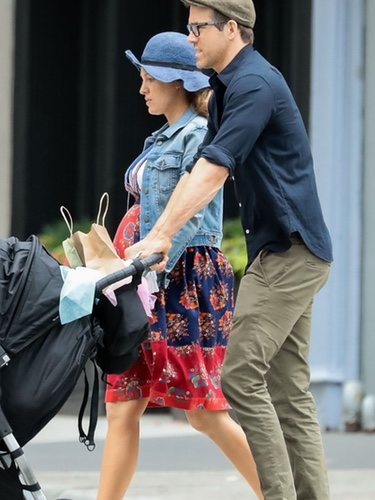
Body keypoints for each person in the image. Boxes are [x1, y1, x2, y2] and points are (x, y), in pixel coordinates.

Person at [126, 3, 333, 499]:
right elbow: (199, 168)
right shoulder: (226, 89)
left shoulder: (254, 86)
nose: (191, 36)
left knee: (239, 376)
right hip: (284, 252)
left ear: (232, 29)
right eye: (190, 26)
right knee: (288, 394)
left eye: (199, 28)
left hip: (291, 252)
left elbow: (215, 169)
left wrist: (163, 234)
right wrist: (161, 231)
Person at [97, 31, 263, 500]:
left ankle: (282, 493)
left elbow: (192, 212)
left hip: (182, 278)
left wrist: (149, 259)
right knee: (123, 403)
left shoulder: (200, 135)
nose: (142, 88)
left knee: (203, 410)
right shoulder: (160, 137)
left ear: (176, 82)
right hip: (139, 281)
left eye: (150, 79)